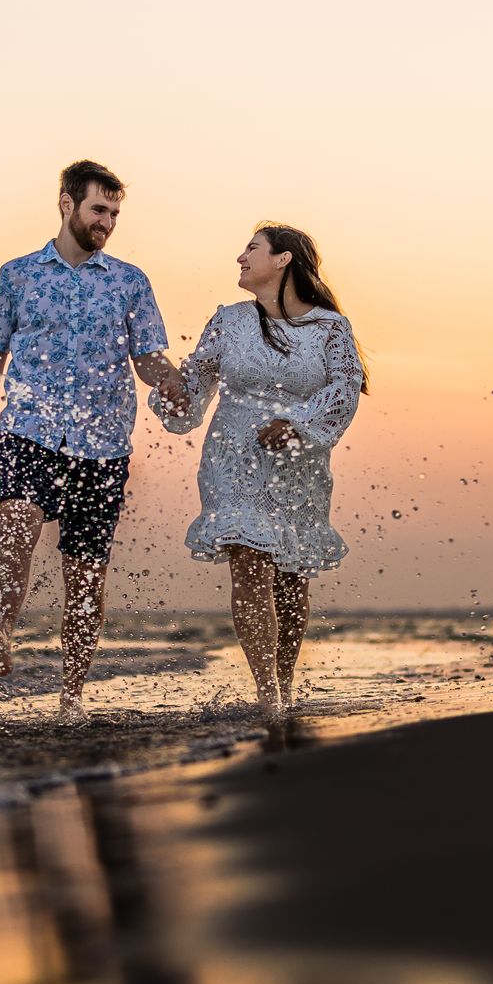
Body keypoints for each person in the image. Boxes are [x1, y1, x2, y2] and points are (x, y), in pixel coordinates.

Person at [0, 160, 189, 718]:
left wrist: (177, 382)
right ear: (66, 204)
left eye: (114, 213)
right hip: (28, 431)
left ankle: (71, 697)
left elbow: (149, 357)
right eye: (98, 210)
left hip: (102, 447)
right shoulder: (17, 275)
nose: (107, 221)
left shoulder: (130, 281)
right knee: (16, 531)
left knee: (85, 576)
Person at [151, 223, 367, 720]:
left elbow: (345, 387)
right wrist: (169, 387)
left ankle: (285, 686)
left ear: (284, 259)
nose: (240, 258)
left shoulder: (330, 328)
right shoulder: (227, 321)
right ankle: (267, 694)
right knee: (248, 561)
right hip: (233, 460)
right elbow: (194, 386)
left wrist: (299, 425)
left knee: (290, 579)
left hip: (298, 467)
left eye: (251, 249)